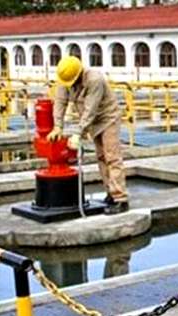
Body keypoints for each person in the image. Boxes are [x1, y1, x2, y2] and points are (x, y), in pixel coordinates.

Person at [47, 56, 129, 215]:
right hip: (92, 122)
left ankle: (121, 199)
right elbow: (60, 101)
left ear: (78, 74)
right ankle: (111, 193)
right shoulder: (65, 80)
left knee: (112, 157)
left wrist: (78, 133)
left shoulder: (94, 80)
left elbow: (90, 110)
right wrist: (57, 126)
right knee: (101, 157)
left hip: (107, 118)